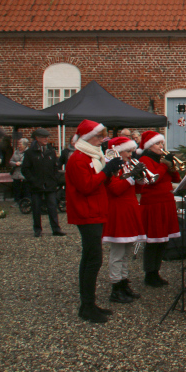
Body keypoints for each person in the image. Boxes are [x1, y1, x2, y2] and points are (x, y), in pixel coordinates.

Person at [65, 119, 119, 323]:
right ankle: (87, 305)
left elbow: (99, 183)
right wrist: (106, 171)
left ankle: (89, 303)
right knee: (92, 259)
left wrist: (110, 171)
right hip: (86, 213)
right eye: (98, 136)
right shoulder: (78, 159)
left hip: (94, 211)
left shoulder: (91, 156)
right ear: (87, 138)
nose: (102, 140)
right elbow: (86, 186)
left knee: (91, 258)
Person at [101, 136, 147, 304]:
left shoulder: (127, 165)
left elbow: (137, 189)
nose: (131, 154)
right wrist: (131, 177)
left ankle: (124, 282)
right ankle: (116, 286)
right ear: (118, 151)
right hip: (118, 210)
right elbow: (115, 189)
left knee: (127, 251)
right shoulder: (113, 167)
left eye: (131, 151)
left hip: (130, 208)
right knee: (118, 252)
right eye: (128, 151)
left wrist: (139, 177)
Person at [136, 131, 182, 287]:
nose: (161, 146)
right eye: (157, 144)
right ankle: (150, 273)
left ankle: (156, 271)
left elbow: (176, 179)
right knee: (153, 240)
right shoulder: (144, 159)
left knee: (163, 240)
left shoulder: (161, 161)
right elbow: (152, 179)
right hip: (154, 204)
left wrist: (172, 168)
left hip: (166, 202)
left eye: (162, 143)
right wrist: (165, 165)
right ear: (149, 146)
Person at [21, 129, 66, 237]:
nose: (46, 139)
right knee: (36, 208)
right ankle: (37, 229)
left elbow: (56, 167)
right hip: (36, 185)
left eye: (47, 137)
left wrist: (54, 179)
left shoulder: (50, 151)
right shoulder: (30, 153)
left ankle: (56, 229)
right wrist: (32, 180)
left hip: (50, 184)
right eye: (43, 137)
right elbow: (25, 169)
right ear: (37, 138)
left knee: (52, 206)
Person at [8, 138, 28, 203]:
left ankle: (25, 201)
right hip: (16, 173)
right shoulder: (16, 152)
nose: (19, 145)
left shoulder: (28, 152)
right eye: (19, 143)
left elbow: (29, 161)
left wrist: (21, 163)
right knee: (16, 189)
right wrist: (15, 163)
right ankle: (17, 201)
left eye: (20, 144)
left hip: (24, 173)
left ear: (25, 145)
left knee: (25, 189)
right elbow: (10, 161)